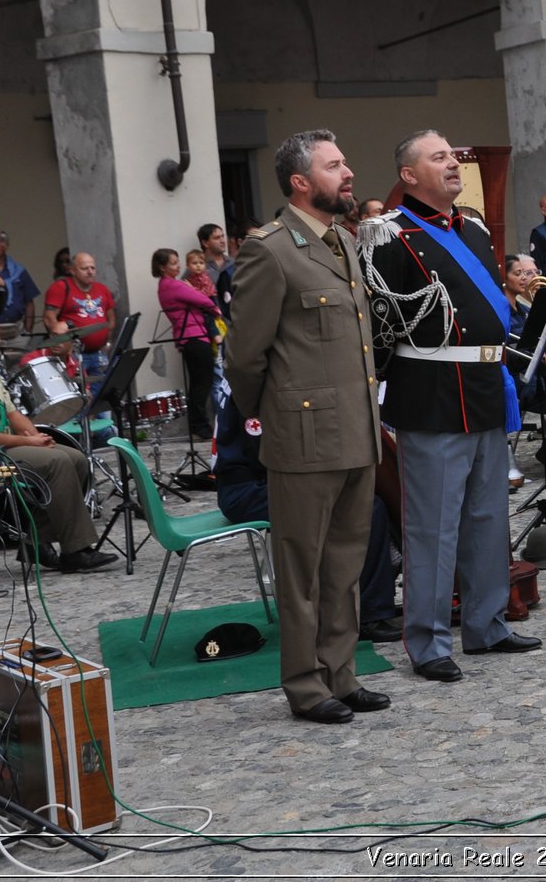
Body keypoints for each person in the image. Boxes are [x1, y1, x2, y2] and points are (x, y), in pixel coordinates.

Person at [361, 129, 541, 682]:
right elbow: (380, 326)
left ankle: (487, 624)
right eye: (439, 157)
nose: (454, 164)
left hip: (486, 383)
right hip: (432, 391)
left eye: (454, 156)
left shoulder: (476, 227)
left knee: (488, 517)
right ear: (409, 175)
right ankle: (429, 639)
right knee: (432, 527)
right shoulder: (386, 234)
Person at [225, 128, 388, 724]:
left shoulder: (342, 241)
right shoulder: (268, 250)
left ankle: (341, 675)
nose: (348, 173)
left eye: (345, 162)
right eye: (334, 166)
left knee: (345, 564)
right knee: (302, 572)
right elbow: (244, 357)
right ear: (300, 182)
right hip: (303, 437)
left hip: (356, 430)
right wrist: (275, 416)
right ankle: (305, 685)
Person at [0, 307, 116, 572]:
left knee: (75, 458)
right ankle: (76, 551)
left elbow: (13, 414)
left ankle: (36, 542)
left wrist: (35, 435)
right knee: (56, 463)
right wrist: (28, 443)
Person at [213, 387, 401, 643]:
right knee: (365, 509)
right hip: (248, 490)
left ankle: (367, 602)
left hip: (257, 481)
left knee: (368, 504)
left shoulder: (246, 379)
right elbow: (272, 456)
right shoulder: (250, 390)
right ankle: (368, 613)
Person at [154, 248, 220, 439]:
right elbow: (203, 299)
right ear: (162, 267)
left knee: (198, 382)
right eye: (173, 263)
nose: (178, 266)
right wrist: (202, 298)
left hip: (189, 337)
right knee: (202, 383)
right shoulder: (172, 285)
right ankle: (200, 425)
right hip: (195, 336)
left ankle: (198, 424)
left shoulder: (165, 285)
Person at [42, 252, 116, 395]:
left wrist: (107, 343)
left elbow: (111, 318)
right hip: (75, 354)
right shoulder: (60, 287)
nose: (90, 272)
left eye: (93, 268)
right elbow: (49, 317)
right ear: (72, 270)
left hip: (99, 353)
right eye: (84, 268)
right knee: (79, 396)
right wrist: (63, 345)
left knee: (102, 399)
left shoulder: (102, 289)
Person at [0, 230, 41, 335]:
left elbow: (29, 303)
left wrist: (28, 331)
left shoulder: (19, 271)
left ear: (5, 245)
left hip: (17, 330)